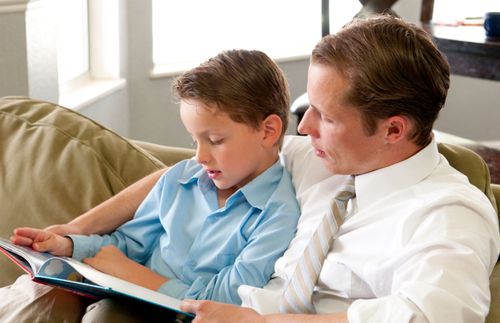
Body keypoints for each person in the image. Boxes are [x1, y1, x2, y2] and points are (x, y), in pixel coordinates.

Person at [8, 15, 500, 322]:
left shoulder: (450, 214)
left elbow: (429, 315)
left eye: (326, 117)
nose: (303, 128)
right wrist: (76, 230)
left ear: (393, 131)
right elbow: (180, 170)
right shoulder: (321, 156)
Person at [2, 49, 300, 322]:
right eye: (194, 140)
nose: (199, 156)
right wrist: (69, 245)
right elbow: (127, 245)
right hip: (124, 297)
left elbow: (223, 302)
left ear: (269, 131)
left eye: (216, 141)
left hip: (181, 315)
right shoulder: (180, 179)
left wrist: (130, 273)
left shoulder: (277, 213)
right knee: (51, 298)